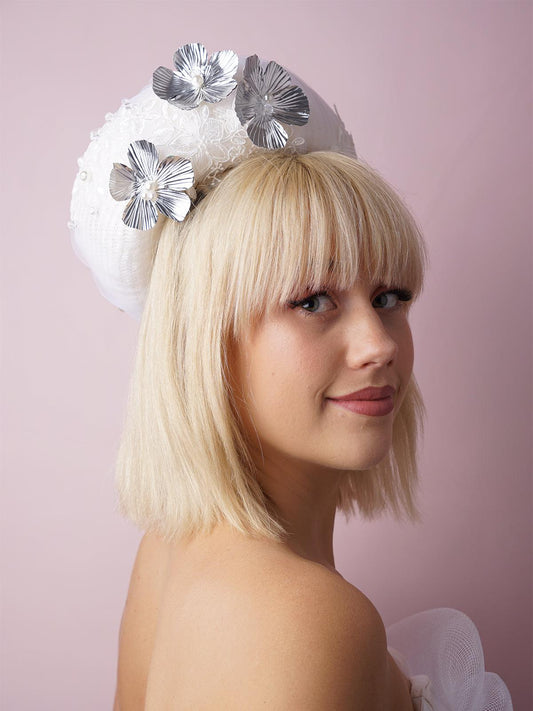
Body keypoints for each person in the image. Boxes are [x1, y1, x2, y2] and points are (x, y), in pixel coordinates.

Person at [70, 43, 513, 710]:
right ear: (207, 341)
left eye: (389, 296)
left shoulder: (169, 549)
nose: (377, 344)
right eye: (311, 301)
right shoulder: (309, 619)